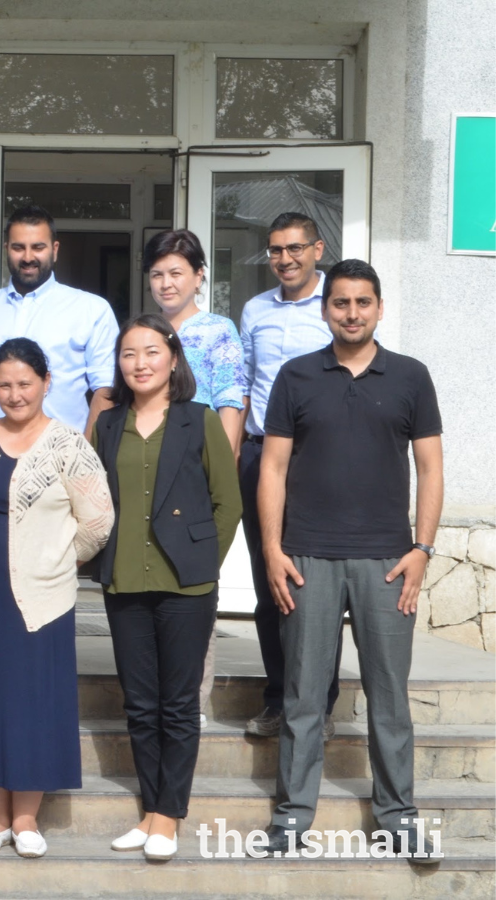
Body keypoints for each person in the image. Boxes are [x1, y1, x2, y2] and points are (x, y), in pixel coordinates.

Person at [255, 259, 443, 860]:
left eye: (363, 302)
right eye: (341, 303)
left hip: (388, 562)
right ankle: (292, 816)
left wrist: (422, 549)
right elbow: (273, 468)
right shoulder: (296, 376)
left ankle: (398, 815)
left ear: (380, 308)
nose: (353, 313)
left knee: (389, 696)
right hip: (308, 556)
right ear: (325, 309)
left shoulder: (411, 377)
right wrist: (271, 550)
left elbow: (431, 468)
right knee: (304, 695)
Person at [0, 337, 113, 860]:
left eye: (25, 384)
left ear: (46, 383)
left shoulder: (68, 445)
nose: (14, 395)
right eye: (5, 385)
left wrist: (58, 561)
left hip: (40, 597)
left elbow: (98, 521)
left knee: (32, 703)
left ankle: (28, 818)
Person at [91, 314, 241, 861]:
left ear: (173, 359)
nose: (140, 363)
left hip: (186, 586)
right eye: (129, 354)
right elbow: (93, 498)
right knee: (140, 703)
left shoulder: (198, 420)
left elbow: (229, 501)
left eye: (151, 352)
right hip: (124, 579)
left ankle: (168, 816)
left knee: (178, 705)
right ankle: (149, 810)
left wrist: (203, 563)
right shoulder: (107, 423)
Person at [238, 212, 342, 741]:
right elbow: (245, 387)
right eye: (276, 250)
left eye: (295, 248)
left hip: (319, 458)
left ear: (316, 249)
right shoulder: (254, 310)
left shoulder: (337, 307)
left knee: (322, 585)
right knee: (268, 582)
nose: (286, 259)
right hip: (262, 458)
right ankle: (278, 698)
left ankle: (319, 705)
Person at [143, 229, 249, 726]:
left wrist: (220, 476)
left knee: (195, 586)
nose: (166, 284)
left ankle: (191, 705)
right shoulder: (144, 331)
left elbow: (230, 401)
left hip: (195, 471)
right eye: (158, 274)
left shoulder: (216, 330)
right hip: (148, 470)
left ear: (199, 276)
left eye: (176, 273)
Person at [0, 205, 118, 437]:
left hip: (64, 460)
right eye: (19, 248)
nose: (28, 257)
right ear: (6, 249)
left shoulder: (91, 310)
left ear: (54, 249)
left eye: (38, 247)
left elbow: (106, 388)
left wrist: (84, 454)